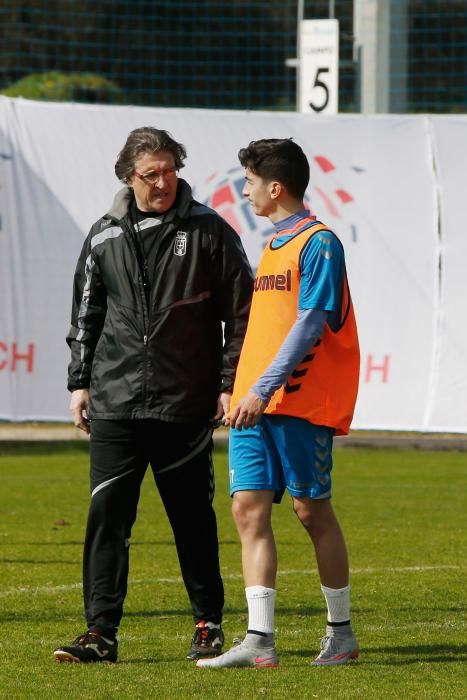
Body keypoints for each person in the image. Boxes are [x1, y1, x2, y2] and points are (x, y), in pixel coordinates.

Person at [53, 127, 253, 664]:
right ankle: (100, 634)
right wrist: (79, 382)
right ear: (128, 176)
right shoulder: (102, 235)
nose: (163, 181)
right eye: (151, 173)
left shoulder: (211, 230)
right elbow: (85, 315)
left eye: (170, 170)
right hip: (114, 401)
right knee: (106, 520)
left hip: (183, 400)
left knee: (191, 519)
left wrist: (228, 382)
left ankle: (208, 623)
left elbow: (242, 313)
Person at [197, 138, 360, 669]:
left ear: (276, 186)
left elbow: (311, 323)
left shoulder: (320, 243)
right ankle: (259, 640)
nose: (244, 192)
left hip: (296, 401)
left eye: (249, 182)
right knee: (247, 510)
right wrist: (240, 388)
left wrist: (262, 388)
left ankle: (341, 634)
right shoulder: (272, 245)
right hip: (253, 404)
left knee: (310, 510)